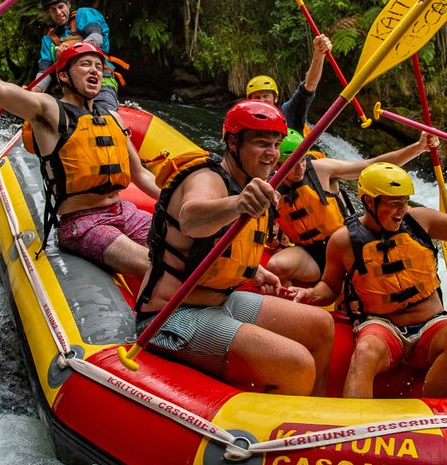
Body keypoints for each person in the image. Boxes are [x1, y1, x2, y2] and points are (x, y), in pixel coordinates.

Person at [135, 100, 334, 395]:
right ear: (232, 142)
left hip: (220, 301)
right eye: (262, 143)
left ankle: (315, 416)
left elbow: (219, 249)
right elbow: (192, 218)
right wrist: (238, 203)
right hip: (169, 316)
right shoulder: (207, 178)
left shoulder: (247, 181)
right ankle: (283, 435)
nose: (272, 154)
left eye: (276, 145)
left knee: (322, 325)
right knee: (297, 362)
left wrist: (255, 270)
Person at [295, 153, 447, 399]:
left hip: (430, 325)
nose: (402, 211)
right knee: (366, 351)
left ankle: (431, 412)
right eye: (394, 203)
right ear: (369, 202)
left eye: (405, 202)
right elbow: (329, 287)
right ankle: (355, 425)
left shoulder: (421, 221)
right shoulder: (343, 241)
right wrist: (309, 294)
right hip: (381, 326)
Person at [0, 12, 160, 275]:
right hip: (83, 223)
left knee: (184, 252)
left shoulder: (111, 117)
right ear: (65, 76)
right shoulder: (48, 110)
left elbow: (141, 176)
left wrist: (177, 203)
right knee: (157, 266)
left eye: (98, 67)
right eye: (85, 65)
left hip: (123, 211)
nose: (94, 70)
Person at [269, 129, 442, 287]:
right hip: (312, 253)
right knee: (276, 266)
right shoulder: (271, 187)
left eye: (302, 160)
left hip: (348, 247)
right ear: (277, 165)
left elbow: (373, 165)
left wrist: (418, 148)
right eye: (292, 164)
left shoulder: (322, 170)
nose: (300, 168)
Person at [35, 0, 119, 114]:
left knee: (107, 118)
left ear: (68, 4)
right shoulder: (48, 40)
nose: (58, 12)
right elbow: (45, 73)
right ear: (48, 12)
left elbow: (97, 39)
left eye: (61, 6)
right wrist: (35, 90)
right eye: (53, 9)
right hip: (71, 90)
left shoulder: (84, 15)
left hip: (100, 82)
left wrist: (68, 52)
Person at [246, 34, 331, 133]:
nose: (262, 101)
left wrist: (318, 56)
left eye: (266, 96)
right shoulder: (246, 125)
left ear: (275, 98)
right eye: (256, 97)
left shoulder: (287, 112)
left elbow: (309, 86)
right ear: (249, 102)